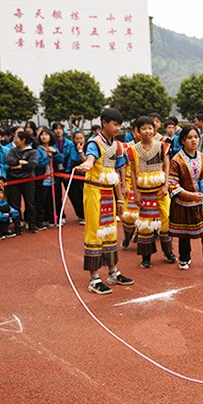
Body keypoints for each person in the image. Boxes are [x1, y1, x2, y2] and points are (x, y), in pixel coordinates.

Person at [74, 108, 134, 295]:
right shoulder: (95, 142)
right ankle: (94, 279)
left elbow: (116, 172)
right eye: (115, 124)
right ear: (104, 123)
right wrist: (87, 164)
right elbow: (91, 158)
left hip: (109, 193)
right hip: (94, 191)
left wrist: (120, 200)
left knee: (110, 232)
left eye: (119, 125)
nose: (118, 128)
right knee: (94, 232)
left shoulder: (116, 146)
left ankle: (112, 272)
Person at [168, 125, 203, 278]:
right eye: (190, 138)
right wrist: (189, 195)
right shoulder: (176, 160)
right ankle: (184, 257)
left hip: (202, 203)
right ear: (183, 140)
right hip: (183, 203)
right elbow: (172, 184)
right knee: (185, 231)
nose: (193, 140)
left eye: (196, 137)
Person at [127, 116, 175, 269]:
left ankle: (168, 251)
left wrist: (166, 185)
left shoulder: (162, 146)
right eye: (143, 128)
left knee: (166, 219)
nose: (147, 131)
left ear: (155, 129)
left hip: (161, 190)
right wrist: (136, 193)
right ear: (137, 131)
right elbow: (133, 172)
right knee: (146, 224)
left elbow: (167, 166)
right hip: (144, 191)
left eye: (150, 128)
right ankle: (146, 257)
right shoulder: (133, 150)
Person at [5, 130, 39, 233]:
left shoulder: (33, 151)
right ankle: (17, 225)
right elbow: (9, 161)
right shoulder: (12, 150)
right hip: (14, 181)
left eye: (16, 138)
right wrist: (20, 162)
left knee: (30, 203)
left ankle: (32, 224)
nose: (14, 140)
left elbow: (32, 165)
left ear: (23, 140)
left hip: (28, 180)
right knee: (15, 204)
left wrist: (18, 166)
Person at [35, 128, 63, 229]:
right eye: (42, 135)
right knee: (41, 201)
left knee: (54, 200)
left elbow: (61, 159)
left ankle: (54, 219)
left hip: (53, 179)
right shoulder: (38, 149)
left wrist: (54, 153)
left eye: (46, 135)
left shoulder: (54, 148)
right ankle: (40, 221)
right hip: (43, 179)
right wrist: (47, 156)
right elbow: (39, 164)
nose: (44, 137)